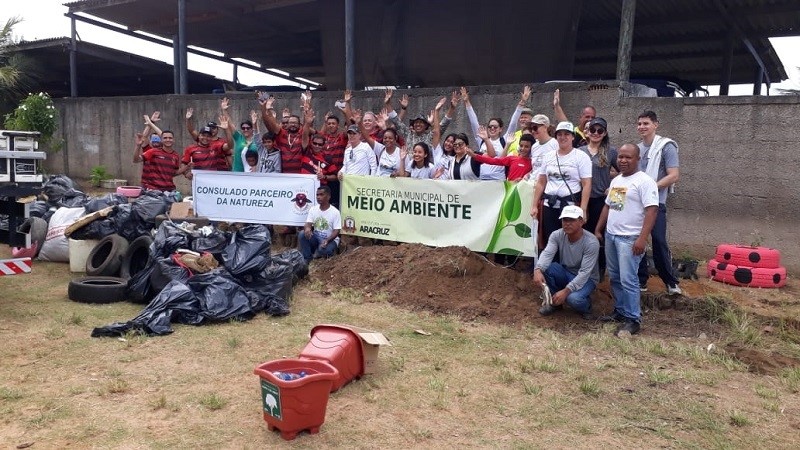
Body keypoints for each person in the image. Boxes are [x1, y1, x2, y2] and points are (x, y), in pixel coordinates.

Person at [594, 144, 659, 336]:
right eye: (620, 157)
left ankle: (633, 319)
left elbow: (652, 211)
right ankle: (620, 311)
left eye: (628, 157)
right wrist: (599, 229)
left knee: (629, 279)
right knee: (615, 277)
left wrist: (642, 238)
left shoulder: (645, 182)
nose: (623, 160)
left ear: (637, 159)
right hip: (612, 236)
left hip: (630, 239)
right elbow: (610, 206)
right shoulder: (617, 181)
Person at [635, 110, 682, 296]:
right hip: (637, 204)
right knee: (637, 241)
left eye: (646, 123)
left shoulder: (666, 147)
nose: (642, 127)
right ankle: (641, 280)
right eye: (639, 124)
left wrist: (652, 187)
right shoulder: (637, 149)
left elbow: (674, 175)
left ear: (656, 125)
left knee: (659, 242)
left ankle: (671, 282)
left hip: (656, 203)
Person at [531, 122, 592, 246]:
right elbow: (541, 182)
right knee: (549, 238)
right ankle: (552, 264)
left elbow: (586, 184)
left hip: (570, 204)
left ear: (573, 137)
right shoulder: (548, 156)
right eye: (560, 134)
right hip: (549, 204)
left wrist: (583, 209)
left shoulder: (581, 157)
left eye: (566, 134)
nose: (563, 137)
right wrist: (534, 205)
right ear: (556, 136)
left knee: (570, 239)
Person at [534, 205, 599, 319]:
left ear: (581, 221)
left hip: (587, 279)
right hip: (567, 271)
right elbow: (547, 254)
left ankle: (587, 306)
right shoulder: (557, 235)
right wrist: (538, 269)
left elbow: (584, 273)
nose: (567, 223)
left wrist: (566, 291)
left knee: (574, 299)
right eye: (565, 220)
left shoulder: (591, 242)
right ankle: (555, 303)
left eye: (572, 220)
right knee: (549, 268)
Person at [580, 117, 618, 278]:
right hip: (582, 199)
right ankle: (584, 268)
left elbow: (624, 171)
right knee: (583, 233)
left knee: (600, 234)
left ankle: (601, 269)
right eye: (593, 130)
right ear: (587, 132)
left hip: (601, 201)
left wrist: (613, 186)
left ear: (605, 133)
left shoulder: (611, 151)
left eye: (600, 130)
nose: (596, 133)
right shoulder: (580, 151)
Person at [258, 93, 304, 173]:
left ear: (299, 125)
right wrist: (263, 107)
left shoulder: (302, 135)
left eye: (295, 123)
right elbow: (269, 124)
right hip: (283, 176)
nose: (293, 124)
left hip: (299, 177)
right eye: (291, 122)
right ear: (287, 124)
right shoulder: (282, 134)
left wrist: (306, 108)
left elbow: (308, 124)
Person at [468, 129, 534, 182]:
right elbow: (492, 161)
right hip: (510, 191)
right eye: (521, 146)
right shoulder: (512, 158)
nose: (523, 148)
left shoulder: (533, 162)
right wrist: (474, 155)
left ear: (532, 147)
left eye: (526, 146)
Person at [298, 186, 341, 263]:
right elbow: (308, 223)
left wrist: (327, 240)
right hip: (316, 238)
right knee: (302, 234)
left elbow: (337, 231)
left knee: (323, 250)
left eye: (321, 195)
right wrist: (307, 228)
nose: (318, 197)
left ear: (328, 196)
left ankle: (323, 252)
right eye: (317, 195)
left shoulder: (335, 212)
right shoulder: (313, 209)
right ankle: (307, 259)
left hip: (330, 240)